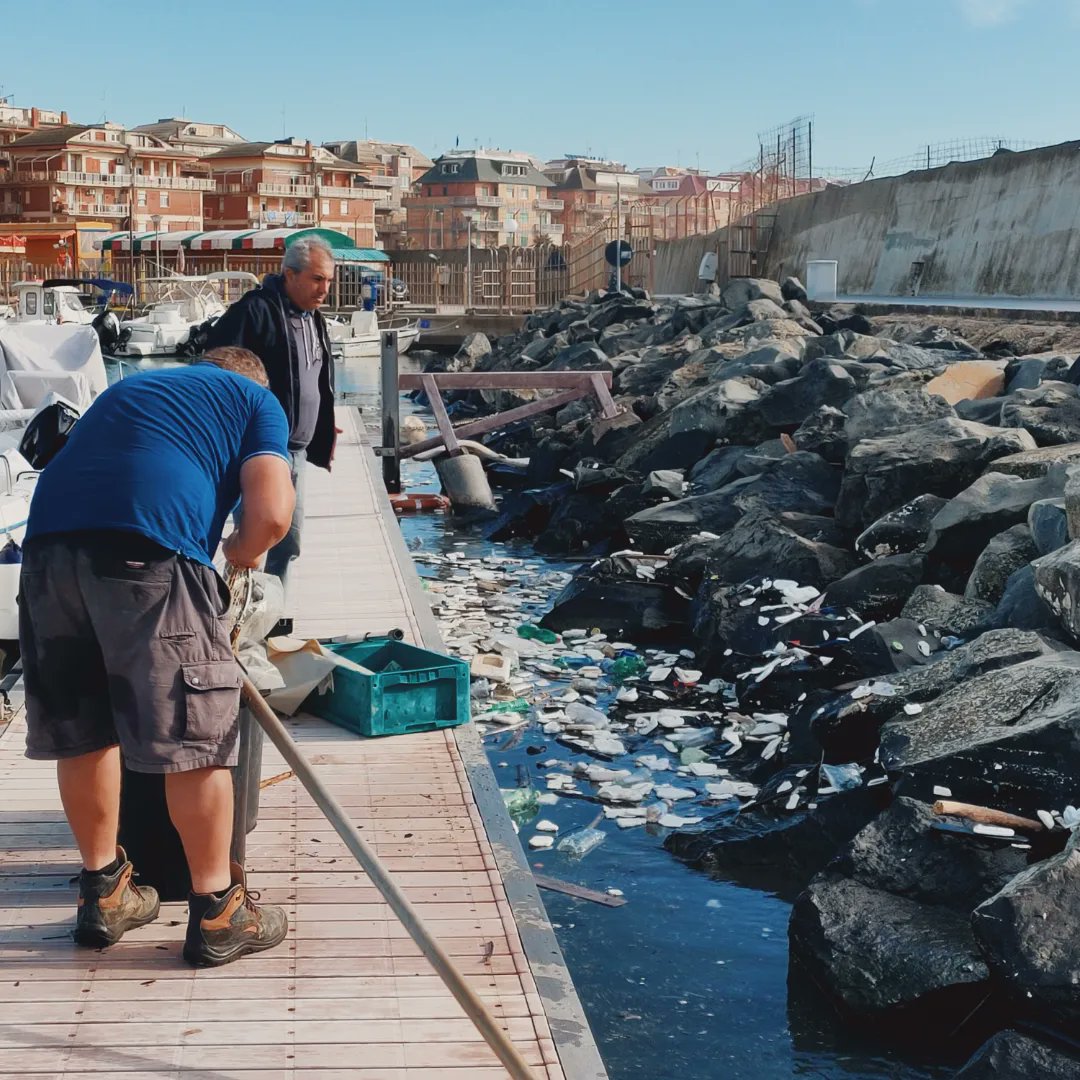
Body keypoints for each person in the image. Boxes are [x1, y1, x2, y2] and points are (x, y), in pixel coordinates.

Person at [19, 346, 296, 967]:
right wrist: (241, 554)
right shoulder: (256, 399)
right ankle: (221, 911)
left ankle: (106, 891)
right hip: (148, 554)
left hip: (46, 553)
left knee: (84, 731)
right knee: (192, 735)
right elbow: (273, 516)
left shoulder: (131, 392)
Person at [204, 236, 337, 621]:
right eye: (316, 279)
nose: (324, 289)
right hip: (259, 449)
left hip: (297, 446)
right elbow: (216, 367)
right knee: (255, 539)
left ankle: (271, 616)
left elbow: (316, 380)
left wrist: (323, 425)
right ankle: (237, 615)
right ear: (289, 274)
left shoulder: (315, 318)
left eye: (328, 280)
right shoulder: (253, 311)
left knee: (289, 542)